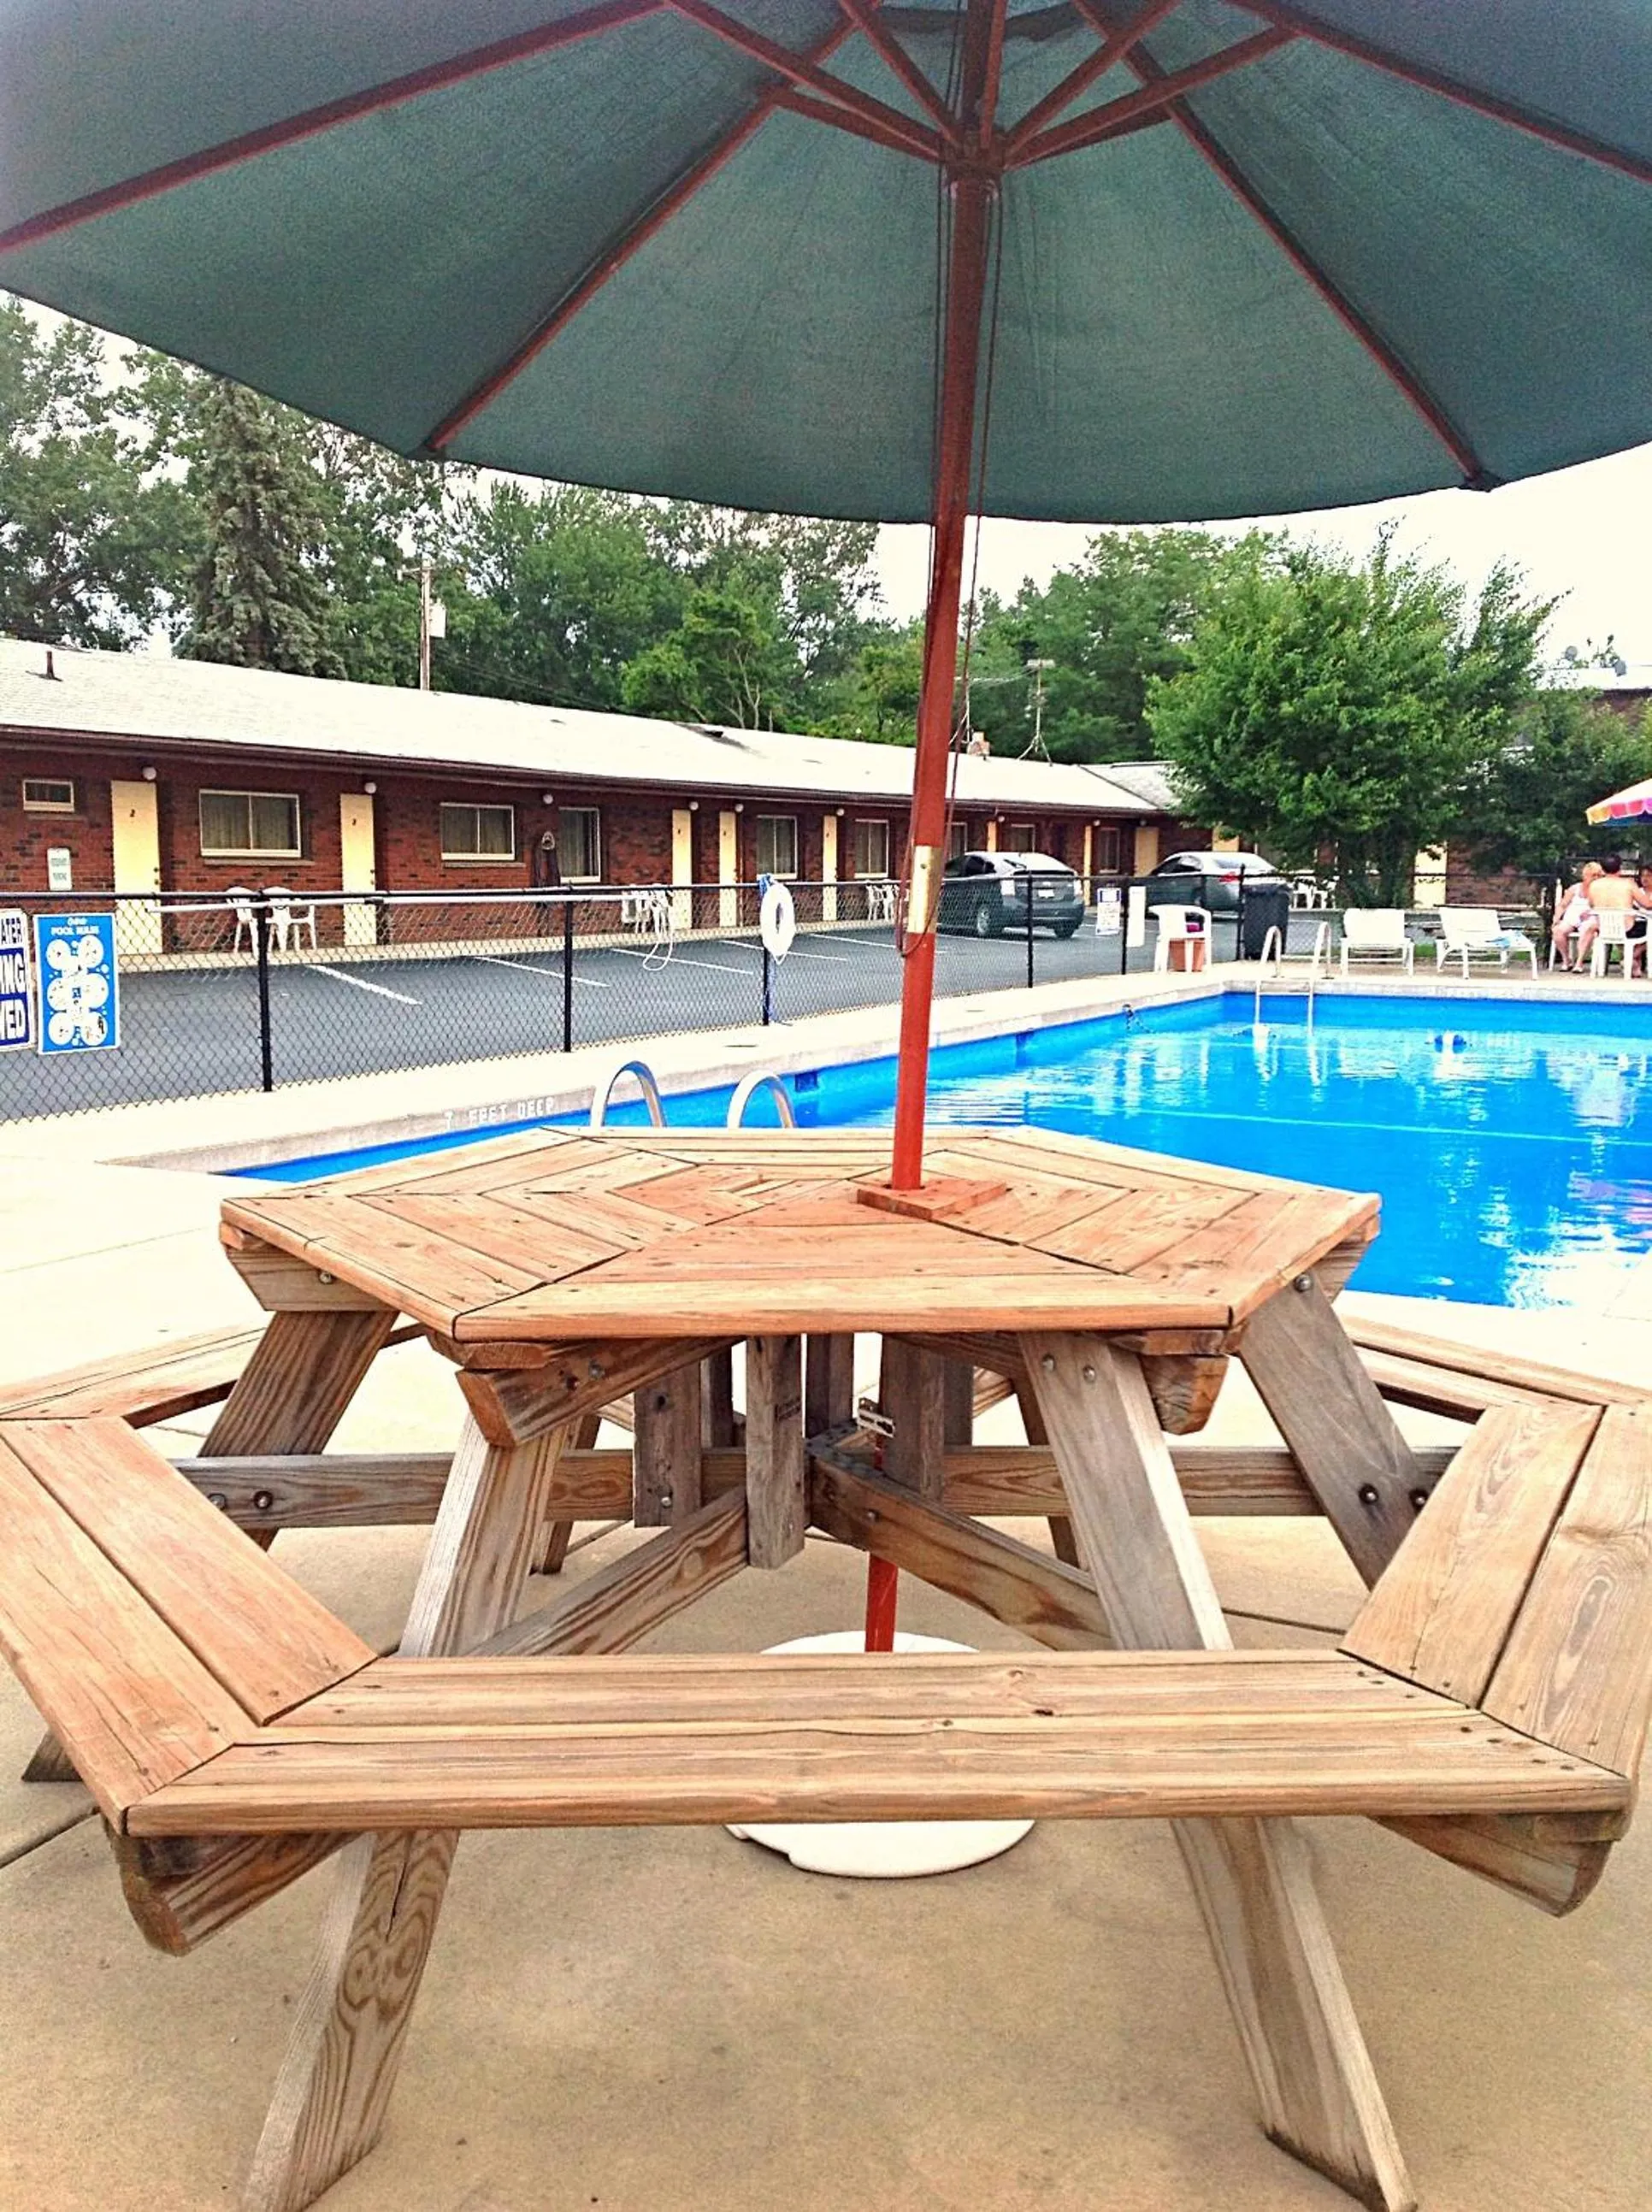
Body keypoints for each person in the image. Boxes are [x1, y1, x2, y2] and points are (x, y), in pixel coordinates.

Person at [1551, 860, 1602, 970]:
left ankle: (1579, 962)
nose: (1596, 878)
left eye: (1599, 875)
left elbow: (1603, 907)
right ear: (1585, 876)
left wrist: (1590, 912)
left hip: (1590, 918)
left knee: (1588, 931)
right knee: (1558, 931)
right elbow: (1563, 905)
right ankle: (1566, 960)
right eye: (1593, 875)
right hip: (1572, 917)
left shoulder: (1601, 890)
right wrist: (1556, 918)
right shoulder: (1575, 888)